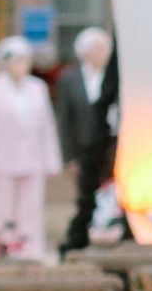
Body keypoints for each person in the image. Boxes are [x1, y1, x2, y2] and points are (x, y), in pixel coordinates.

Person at [0, 37, 64, 258]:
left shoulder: (37, 88)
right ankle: (1, 250)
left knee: (31, 209)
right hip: (0, 160)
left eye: (26, 59)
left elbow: (46, 127)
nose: (22, 65)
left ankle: (31, 252)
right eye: (18, 60)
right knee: (0, 209)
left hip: (32, 159)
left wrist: (51, 160)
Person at [50, 27, 119, 252]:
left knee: (115, 195)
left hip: (113, 144)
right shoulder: (70, 79)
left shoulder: (116, 75)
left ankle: (113, 234)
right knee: (87, 197)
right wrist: (70, 157)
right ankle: (83, 239)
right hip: (85, 148)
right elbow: (65, 121)